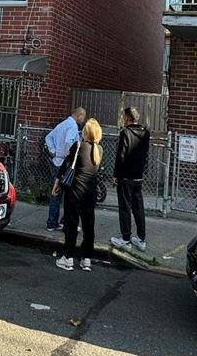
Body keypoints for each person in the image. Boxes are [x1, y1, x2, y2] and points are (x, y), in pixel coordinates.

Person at [55, 118, 103, 272]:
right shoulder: (99, 150)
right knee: (89, 225)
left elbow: (66, 165)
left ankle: (68, 258)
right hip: (91, 192)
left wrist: (57, 183)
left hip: (75, 190)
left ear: (85, 132)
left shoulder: (78, 146)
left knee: (71, 223)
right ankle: (86, 258)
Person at [110, 107, 151, 253]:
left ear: (127, 117)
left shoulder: (125, 132)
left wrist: (116, 175)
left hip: (126, 176)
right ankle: (141, 239)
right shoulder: (145, 132)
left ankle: (126, 239)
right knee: (138, 207)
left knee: (125, 207)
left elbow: (121, 156)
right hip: (138, 176)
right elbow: (146, 154)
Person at [43, 107, 85, 231]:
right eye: (83, 117)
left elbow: (48, 138)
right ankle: (65, 222)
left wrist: (54, 151)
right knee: (70, 195)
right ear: (79, 115)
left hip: (57, 161)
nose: (83, 120)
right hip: (66, 165)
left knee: (55, 192)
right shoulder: (72, 126)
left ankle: (52, 222)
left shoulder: (61, 125)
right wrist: (68, 155)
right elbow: (69, 142)